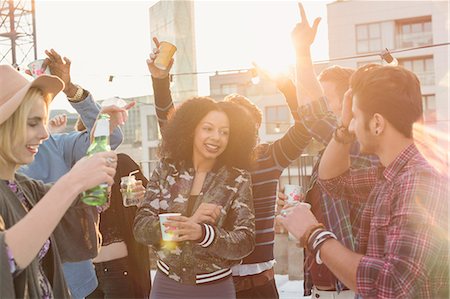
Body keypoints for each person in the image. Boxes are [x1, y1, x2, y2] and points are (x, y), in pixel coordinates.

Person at [147, 37, 313, 299]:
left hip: (257, 283)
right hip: (207, 283)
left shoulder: (269, 157)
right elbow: (170, 126)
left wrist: (287, 86)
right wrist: (160, 81)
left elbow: (306, 128)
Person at [279, 63, 449, 298]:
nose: (351, 124)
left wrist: (313, 234)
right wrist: (343, 131)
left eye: (355, 117)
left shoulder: (418, 180)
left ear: (377, 123)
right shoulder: (390, 174)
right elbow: (333, 182)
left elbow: (392, 287)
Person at [277, 4, 378, 298]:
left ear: (350, 102)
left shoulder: (359, 145)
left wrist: (302, 52)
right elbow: (311, 111)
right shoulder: (329, 152)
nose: (326, 108)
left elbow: (312, 112)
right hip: (322, 287)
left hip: (348, 289)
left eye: (330, 99)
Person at [18, 49, 132, 298]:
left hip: (78, 285)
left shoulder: (52, 146)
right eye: (31, 121)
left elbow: (110, 137)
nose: (44, 132)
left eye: (42, 119)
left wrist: (71, 90)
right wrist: (74, 182)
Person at [134, 97, 257, 298]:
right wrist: (185, 225)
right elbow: (141, 228)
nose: (217, 137)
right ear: (191, 129)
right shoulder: (166, 169)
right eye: (208, 129)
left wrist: (203, 233)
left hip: (215, 289)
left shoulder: (238, 178)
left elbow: (245, 241)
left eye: (224, 132)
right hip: (166, 286)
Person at [88, 153, 151, 298]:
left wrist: (142, 197)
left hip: (118, 269)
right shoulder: (78, 168)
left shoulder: (122, 163)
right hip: (88, 273)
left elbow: (152, 206)